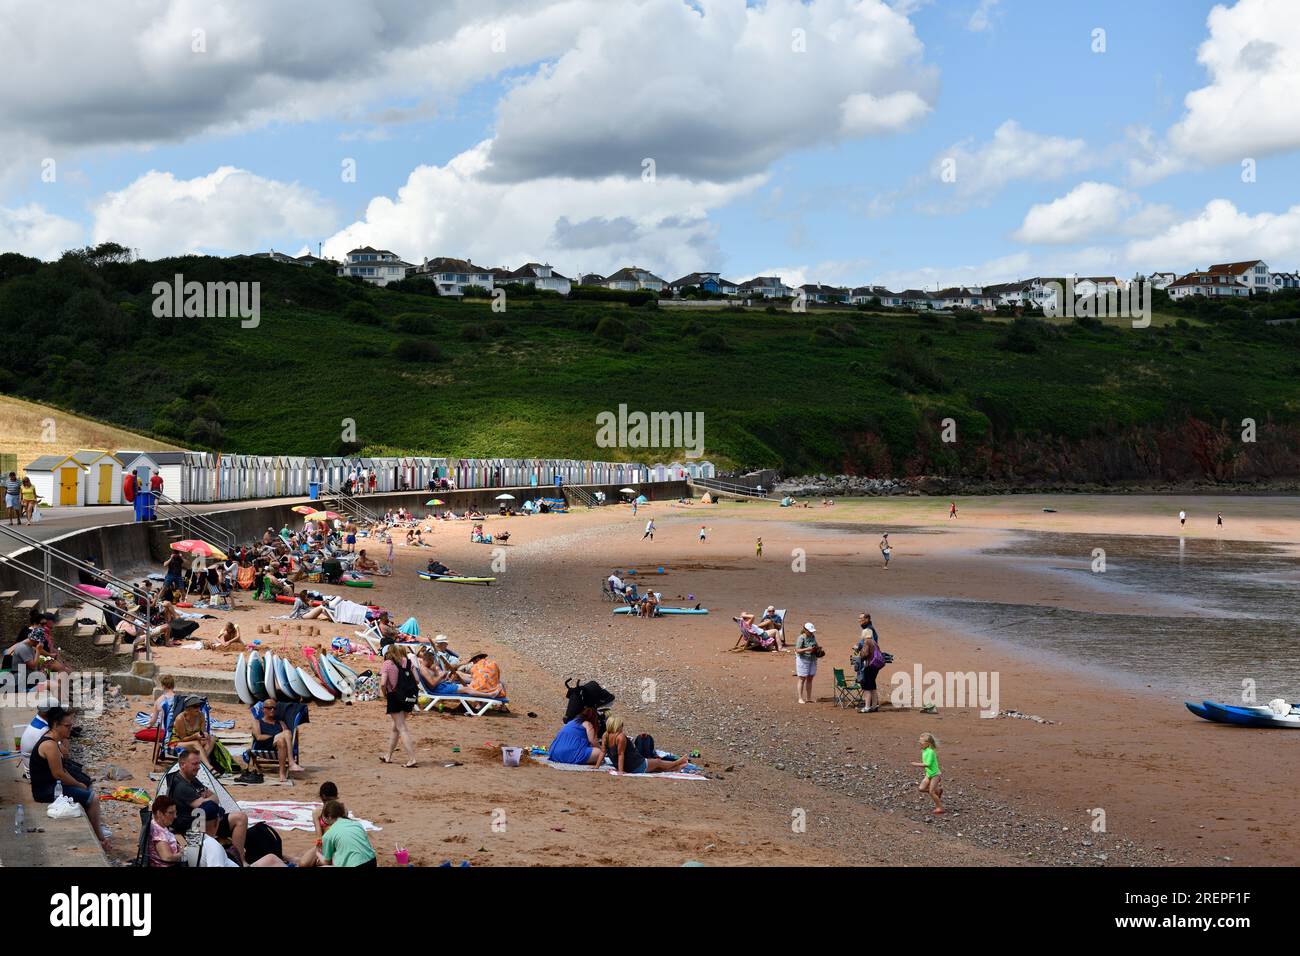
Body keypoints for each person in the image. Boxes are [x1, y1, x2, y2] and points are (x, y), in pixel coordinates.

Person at [29, 707, 111, 851]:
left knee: (87, 784)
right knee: (92, 798)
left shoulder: (54, 740)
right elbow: (58, 774)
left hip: (52, 785)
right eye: (67, 726)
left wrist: (80, 783)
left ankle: (98, 827)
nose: (70, 729)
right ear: (55, 725)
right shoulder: (49, 745)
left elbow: (64, 763)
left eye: (71, 725)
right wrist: (78, 784)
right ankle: (101, 839)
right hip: (46, 790)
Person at [168, 749, 249, 860]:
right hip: (195, 824)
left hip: (205, 819)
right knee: (231, 816)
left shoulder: (191, 779)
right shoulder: (181, 786)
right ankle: (235, 858)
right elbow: (205, 806)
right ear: (182, 765)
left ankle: (239, 859)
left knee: (241, 817)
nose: (198, 767)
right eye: (194, 764)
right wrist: (207, 799)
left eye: (199, 763)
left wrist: (208, 799)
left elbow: (215, 797)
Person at [601, 716, 687, 775]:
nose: (622, 727)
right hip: (636, 765)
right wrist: (620, 771)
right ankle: (677, 762)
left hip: (629, 766)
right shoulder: (620, 736)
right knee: (658, 762)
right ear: (617, 726)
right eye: (621, 725)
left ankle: (677, 768)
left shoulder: (605, 735)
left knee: (657, 768)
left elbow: (603, 751)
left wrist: (597, 766)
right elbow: (621, 754)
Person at [246, 699, 302, 783]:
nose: (272, 710)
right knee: (286, 733)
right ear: (263, 709)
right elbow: (258, 737)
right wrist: (275, 736)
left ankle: (282, 774)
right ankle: (291, 762)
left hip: (279, 747)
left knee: (282, 740)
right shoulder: (257, 722)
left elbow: (288, 739)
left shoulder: (280, 723)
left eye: (274, 708)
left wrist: (278, 738)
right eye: (269, 708)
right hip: (263, 745)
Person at [380, 645, 419, 767]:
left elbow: (382, 683)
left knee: (401, 727)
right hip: (408, 697)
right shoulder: (407, 662)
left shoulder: (387, 663)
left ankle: (412, 758)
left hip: (394, 696)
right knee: (396, 727)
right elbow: (417, 680)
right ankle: (388, 755)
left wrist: (385, 694)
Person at [319, 800, 377, 867]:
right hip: (372, 862)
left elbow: (326, 862)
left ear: (329, 816)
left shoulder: (328, 834)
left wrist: (317, 853)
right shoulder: (356, 824)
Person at [18, 695, 58, 776]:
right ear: (49, 713)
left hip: (31, 767)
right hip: (37, 775)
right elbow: (63, 753)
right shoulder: (44, 730)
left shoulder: (38, 720)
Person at [171, 697, 215, 769]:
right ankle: (208, 767)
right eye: (195, 706)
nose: (198, 708)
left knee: (212, 739)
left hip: (194, 740)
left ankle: (199, 763)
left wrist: (205, 735)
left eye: (199, 706)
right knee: (196, 743)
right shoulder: (180, 719)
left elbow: (203, 731)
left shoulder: (201, 716)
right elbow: (182, 738)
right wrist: (194, 736)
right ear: (188, 709)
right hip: (178, 741)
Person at [855, 624, 884, 713]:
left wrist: (859, 651)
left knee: (867, 687)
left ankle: (867, 707)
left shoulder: (867, 642)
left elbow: (865, 654)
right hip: (875, 667)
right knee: (872, 686)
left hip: (869, 666)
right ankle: (874, 706)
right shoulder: (874, 642)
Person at [913, 733, 944, 814]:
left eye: (921, 742)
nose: (919, 743)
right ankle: (938, 790)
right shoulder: (924, 751)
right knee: (921, 788)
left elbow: (928, 764)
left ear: (928, 743)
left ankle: (939, 807)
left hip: (935, 774)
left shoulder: (930, 752)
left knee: (931, 792)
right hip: (929, 774)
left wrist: (916, 764)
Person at [147, 796, 183, 866]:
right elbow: (167, 857)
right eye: (171, 813)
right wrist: (182, 854)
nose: (175, 816)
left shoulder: (158, 825)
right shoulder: (158, 832)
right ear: (159, 813)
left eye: (175, 812)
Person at [795, 622, 820, 704]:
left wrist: (818, 650)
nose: (811, 632)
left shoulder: (813, 636)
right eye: (810, 631)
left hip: (812, 659)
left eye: (812, 631)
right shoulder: (801, 638)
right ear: (805, 630)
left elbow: (816, 645)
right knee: (802, 678)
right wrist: (807, 649)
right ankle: (800, 698)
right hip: (803, 659)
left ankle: (809, 698)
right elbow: (797, 650)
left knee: (810, 678)